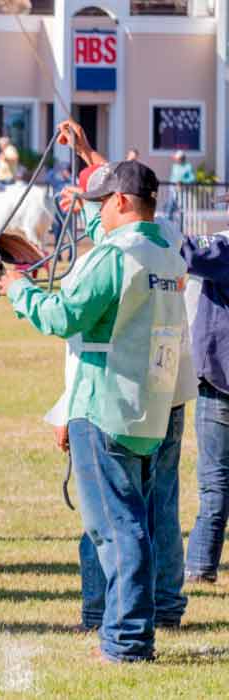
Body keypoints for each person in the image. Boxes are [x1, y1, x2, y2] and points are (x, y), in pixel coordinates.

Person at [0, 122, 190, 663]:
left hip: (104, 404)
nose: (96, 211)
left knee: (115, 527)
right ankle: (135, 621)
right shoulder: (168, 249)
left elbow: (63, 315)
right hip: (150, 404)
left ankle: (127, 640)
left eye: (103, 203)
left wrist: (19, 290)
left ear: (124, 202)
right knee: (142, 518)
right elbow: (114, 244)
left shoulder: (113, 255)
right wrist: (86, 157)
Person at [180, 193, 229, 585]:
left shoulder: (225, 251)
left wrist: (154, 223)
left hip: (221, 384)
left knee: (215, 482)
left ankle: (200, 564)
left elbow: (189, 254)